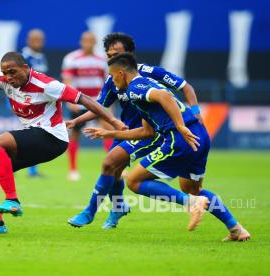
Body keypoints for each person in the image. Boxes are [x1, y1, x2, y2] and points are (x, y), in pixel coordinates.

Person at [0, 51, 125, 234]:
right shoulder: (2, 79)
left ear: (26, 68)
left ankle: (12, 199)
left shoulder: (47, 85)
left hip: (53, 138)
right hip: (34, 136)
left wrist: (114, 121)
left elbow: (85, 100)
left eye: (13, 72)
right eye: (5, 73)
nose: (8, 77)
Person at [85, 53, 250, 241]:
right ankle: (236, 228)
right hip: (200, 135)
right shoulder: (144, 87)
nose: (113, 83)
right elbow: (147, 132)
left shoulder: (135, 87)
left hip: (180, 138)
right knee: (193, 189)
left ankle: (191, 203)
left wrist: (179, 126)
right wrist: (109, 134)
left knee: (133, 181)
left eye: (113, 77)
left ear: (122, 74)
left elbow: (164, 97)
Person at [67, 32, 202, 229]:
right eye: (109, 54)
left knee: (110, 163)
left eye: (117, 53)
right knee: (112, 169)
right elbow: (101, 106)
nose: (112, 57)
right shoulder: (113, 79)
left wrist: (196, 113)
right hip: (126, 131)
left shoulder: (148, 72)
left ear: (129, 54)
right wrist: (76, 120)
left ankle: (90, 212)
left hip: (149, 133)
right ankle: (118, 207)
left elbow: (185, 87)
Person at [61, 31, 109, 181]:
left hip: (98, 102)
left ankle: (113, 166)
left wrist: (109, 103)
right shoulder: (72, 58)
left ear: (95, 42)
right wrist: (69, 100)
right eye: (85, 40)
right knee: (75, 133)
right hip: (80, 102)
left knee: (108, 130)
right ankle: (73, 169)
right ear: (81, 42)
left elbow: (107, 83)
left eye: (91, 40)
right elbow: (67, 80)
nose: (88, 43)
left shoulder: (102, 60)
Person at [21, 29, 48, 177]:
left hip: (38, 102)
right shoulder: (23, 57)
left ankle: (28, 168)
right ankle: (31, 170)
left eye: (41, 39)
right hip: (25, 101)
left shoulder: (40, 57)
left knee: (33, 136)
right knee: (33, 136)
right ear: (28, 40)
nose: (39, 42)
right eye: (35, 39)